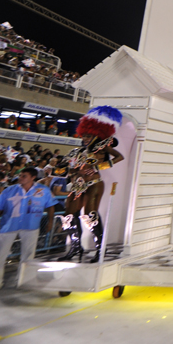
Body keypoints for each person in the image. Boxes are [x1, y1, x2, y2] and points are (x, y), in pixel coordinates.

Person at [58, 106, 124, 263]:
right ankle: (75, 248)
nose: (86, 138)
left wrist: (98, 167)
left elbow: (119, 157)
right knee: (68, 216)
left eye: (89, 135)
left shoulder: (102, 147)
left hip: (94, 183)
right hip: (78, 185)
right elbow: (65, 168)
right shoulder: (77, 151)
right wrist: (69, 170)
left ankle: (100, 248)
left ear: (96, 133)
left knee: (90, 215)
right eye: (84, 136)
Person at [0, 167, 57, 293]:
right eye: (20, 175)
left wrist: (50, 221)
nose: (20, 178)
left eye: (24, 176)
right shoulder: (9, 190)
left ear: (33, 177)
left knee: (28, 255)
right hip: (9, 225)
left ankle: (24, 281)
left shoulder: (43, 190)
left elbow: (50, 206)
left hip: (31, 226)